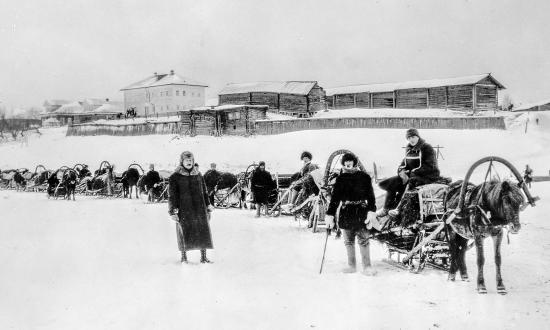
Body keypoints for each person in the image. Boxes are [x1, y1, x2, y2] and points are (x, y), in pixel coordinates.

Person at [325, 152, 377, 275]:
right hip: (346, 212)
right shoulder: (340, 178)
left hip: (361, 211)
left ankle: (367, 267)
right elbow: (335, 198)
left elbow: (371, 196)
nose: (348, 163)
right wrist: (330, 214)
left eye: (350, 161)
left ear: (354, 162)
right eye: (345, 161)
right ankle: (351, 266)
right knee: (348, 241)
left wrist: (371, 211)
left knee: (363, 240)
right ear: (343, 164)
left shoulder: (364, 177)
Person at [377, 128, 440, 218]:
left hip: (427, 176)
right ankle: (386, 208)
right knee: (392, 182)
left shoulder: (427, 148)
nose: (411, 140)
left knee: (411, 182)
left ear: (418, 137)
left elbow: (430, 166)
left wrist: (411, 173)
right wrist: (401, 171)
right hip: (411, 175)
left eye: (413, 137)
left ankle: (399, 208)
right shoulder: (409, 149)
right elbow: (404, 163)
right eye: (409, 138)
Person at [168, 151, 215, 264]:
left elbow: (204, 192)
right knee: (184, 231)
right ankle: (184, 257)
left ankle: (203, 257)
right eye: (186, 160)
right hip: (184, 209)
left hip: (200, 208)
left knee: (202, 231)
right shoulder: (175, 177)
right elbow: (172, 195)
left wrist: (208, 205)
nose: (189, 162)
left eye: (191, 160)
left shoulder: (198, 175)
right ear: (182, 161)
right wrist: (172, 211)